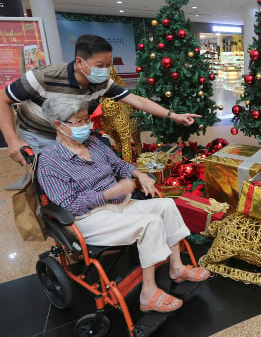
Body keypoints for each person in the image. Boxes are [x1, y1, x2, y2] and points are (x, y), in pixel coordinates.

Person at [37, 96, 209, 313]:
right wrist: (110, 193)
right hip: (89, 217)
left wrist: (140, 175)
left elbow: (119, 164)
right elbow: (70, 205)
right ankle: (148, 293)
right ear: (59, 125)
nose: (86, 126)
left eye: (86, 119)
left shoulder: (94, 143)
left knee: (166, 206)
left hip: (120, 204)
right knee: (150, 222)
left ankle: (176, 266)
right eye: (78, 122)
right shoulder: (50, 162)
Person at [0, 34, 200, 169]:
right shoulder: (45, 76)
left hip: (71, 134)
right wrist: (12, 140)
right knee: (49, 181)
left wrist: (174, 116)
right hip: (38, 135)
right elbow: (0, 100)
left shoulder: (101, 83)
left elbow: (136, 100)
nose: (105, 70)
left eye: (108, 65)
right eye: (100, 65)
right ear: (80, 61)